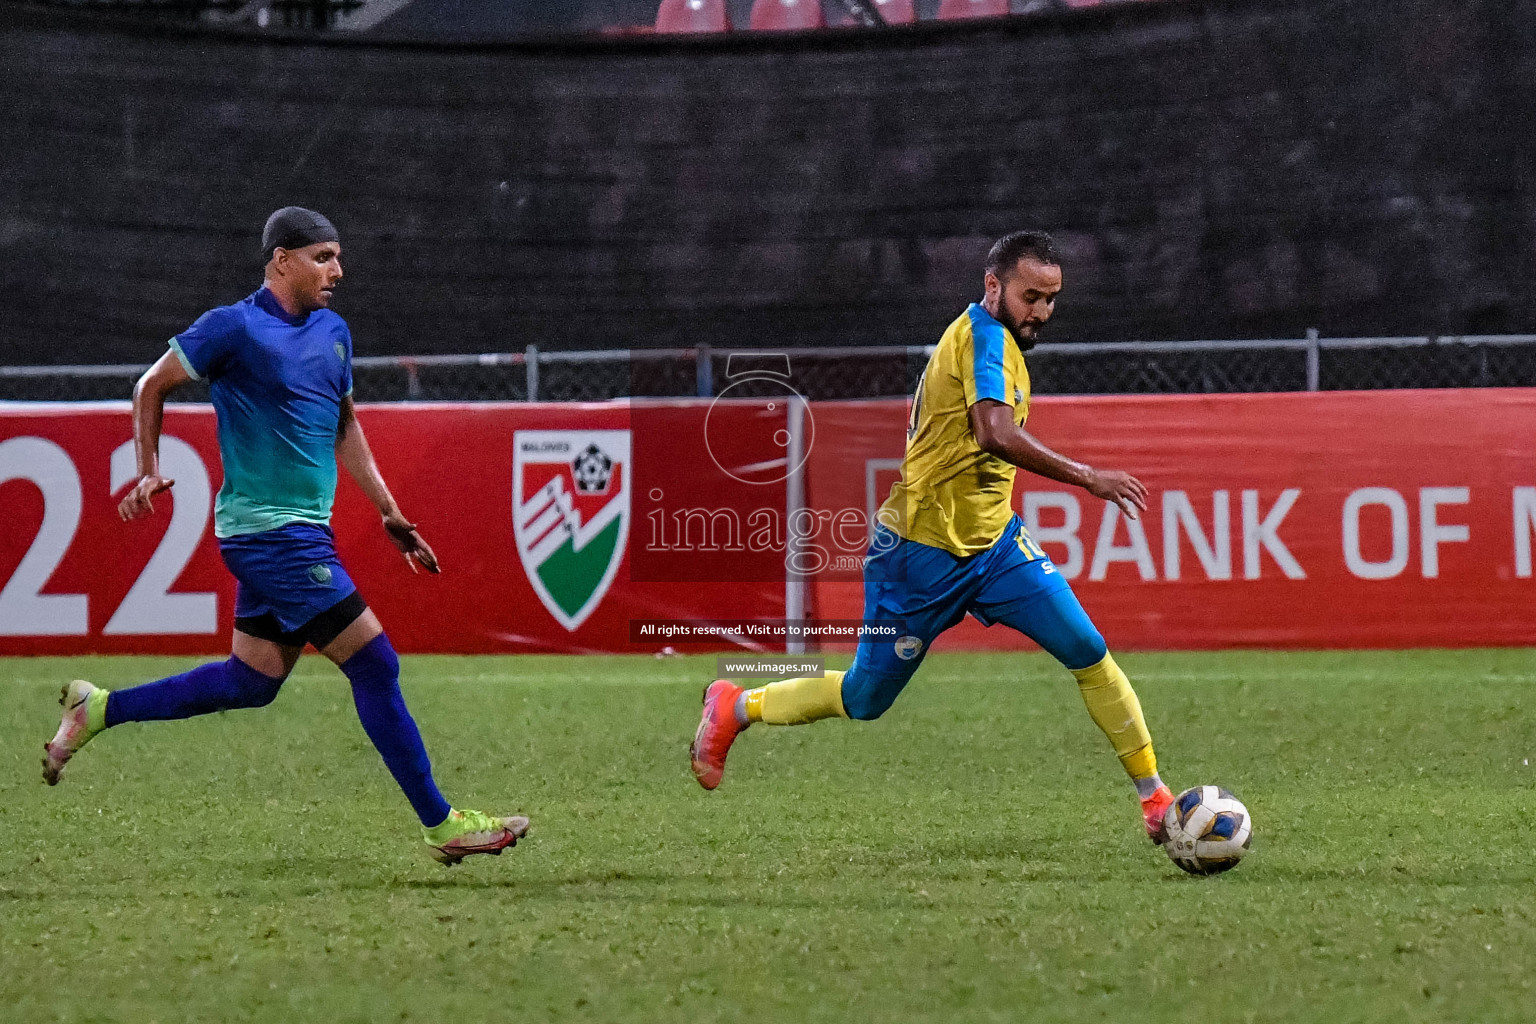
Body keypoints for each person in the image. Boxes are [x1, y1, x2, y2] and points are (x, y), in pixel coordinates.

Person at [41, 207, 528, 866]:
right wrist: (149, 471)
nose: (337, 270)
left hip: (296, 534)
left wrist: (388, 510)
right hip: (271, 538)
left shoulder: (333, 332)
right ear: (281, 259)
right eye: (324, 257)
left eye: (338, 257)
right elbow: (151, 385)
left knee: (253, 679)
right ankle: (442, 825)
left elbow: (343, 424)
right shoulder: (233, 327)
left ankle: (97, 709)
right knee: (375, 663)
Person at [690, 231, 1177, 843]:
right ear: (993, 285)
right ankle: (735, 706)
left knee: (1087, 650)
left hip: (996, 549)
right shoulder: (983, 338)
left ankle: (1154, 798)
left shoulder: (1003, 342)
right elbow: (994, 432)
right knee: (865, 699)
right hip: (918, 554)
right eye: (1032, 296)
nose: (1042, 312)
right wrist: (1088, 478)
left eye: (1052, 300)